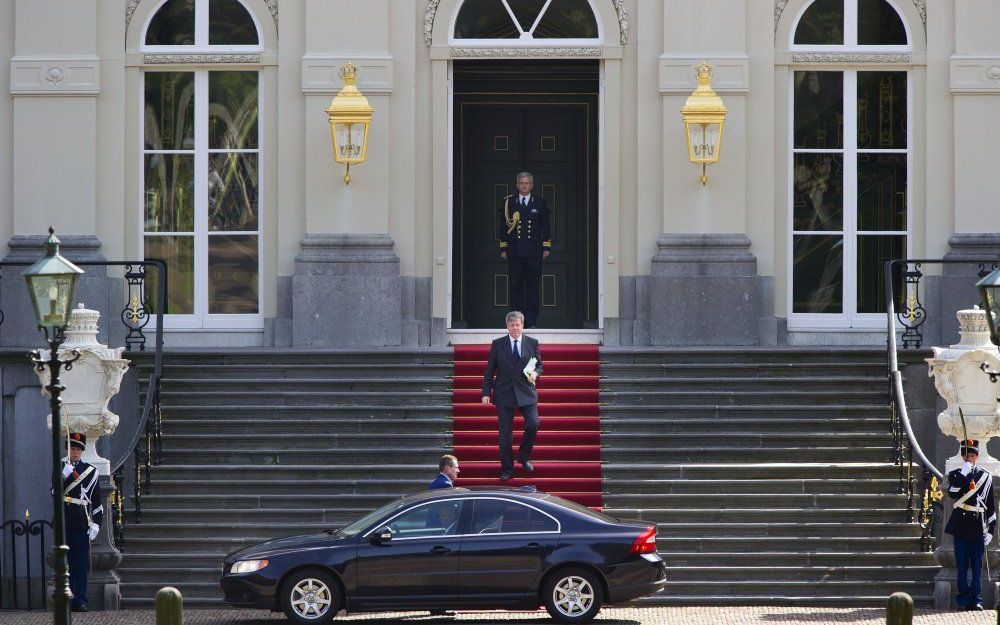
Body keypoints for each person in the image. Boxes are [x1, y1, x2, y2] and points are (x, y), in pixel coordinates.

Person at [481, 310, 544, 481]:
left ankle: (523, 457)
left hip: (526, 391)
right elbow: (489, 371)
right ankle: (507, 468)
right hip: (504, 392)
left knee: (533, 423)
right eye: (512, 325)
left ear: (522, 325)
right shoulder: (498, 344)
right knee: (505, 433)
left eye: (518, 325)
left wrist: (536, 374)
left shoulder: (532, 342)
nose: (515, 328)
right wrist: (486, 393)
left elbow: (539, 365)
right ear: (507, 326)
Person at [946, 439, 996, 611]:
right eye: (967, 456)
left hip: (977, 525)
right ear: (963, 457)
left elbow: (990, 506)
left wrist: (992, 530)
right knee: (961, 566)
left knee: (976, 566)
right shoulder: (955, 474)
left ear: (978, 456)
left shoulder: (986, 477)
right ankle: (962, 599)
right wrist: (963, 474)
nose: (970, 459)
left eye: (973, 456)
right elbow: (952, 493)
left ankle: (975, 599)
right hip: (961, 524)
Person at [499, 172, 551, 328]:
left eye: (527, 183)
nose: (524, 186)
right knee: (516, 286)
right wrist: (503, 247)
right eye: (521, 183)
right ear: (517, 185)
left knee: (532, 287)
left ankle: (531, 321)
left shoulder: (540, 203)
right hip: (515, 251)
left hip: (534, 252)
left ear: (532, 185)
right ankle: (516, 322)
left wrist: (546, 247)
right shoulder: (509, 202)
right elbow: (503, 226)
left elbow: (545, 227)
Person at [62, 432, 103, 612]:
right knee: (65, 563)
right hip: (64, 520)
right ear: (68, 449)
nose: (75, 452)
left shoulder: (91, 471)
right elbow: (55, 494)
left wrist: (96, 523)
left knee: (80, 563)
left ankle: (80, 599)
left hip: (81, 520)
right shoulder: (61, 468)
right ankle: (67, 598)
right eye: (72, 448)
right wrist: (64, 477)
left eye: (78, 449)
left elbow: (96, 501)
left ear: (82, 451)